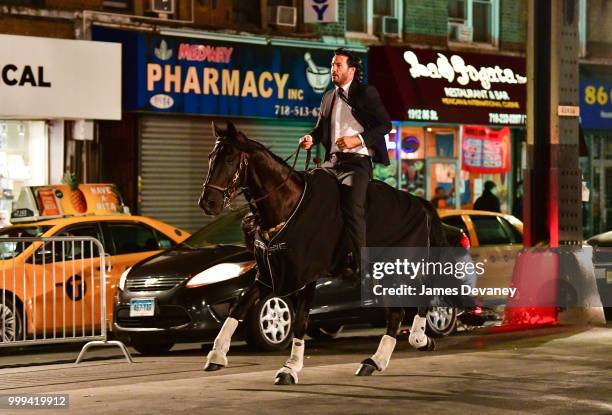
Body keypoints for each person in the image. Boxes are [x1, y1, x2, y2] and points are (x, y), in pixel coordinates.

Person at [298, 48, 391, 276]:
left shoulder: (366, 93)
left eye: (338, 65)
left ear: (351, 69)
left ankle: (363, 266)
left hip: (357, 163)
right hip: (332, 163)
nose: (333, 69)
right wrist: (311, 137)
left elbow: (385, 125)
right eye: (332, 65)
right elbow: (320, 130)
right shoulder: (328, 96)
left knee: (351, 206)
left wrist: (357, 139)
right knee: (307, 194)